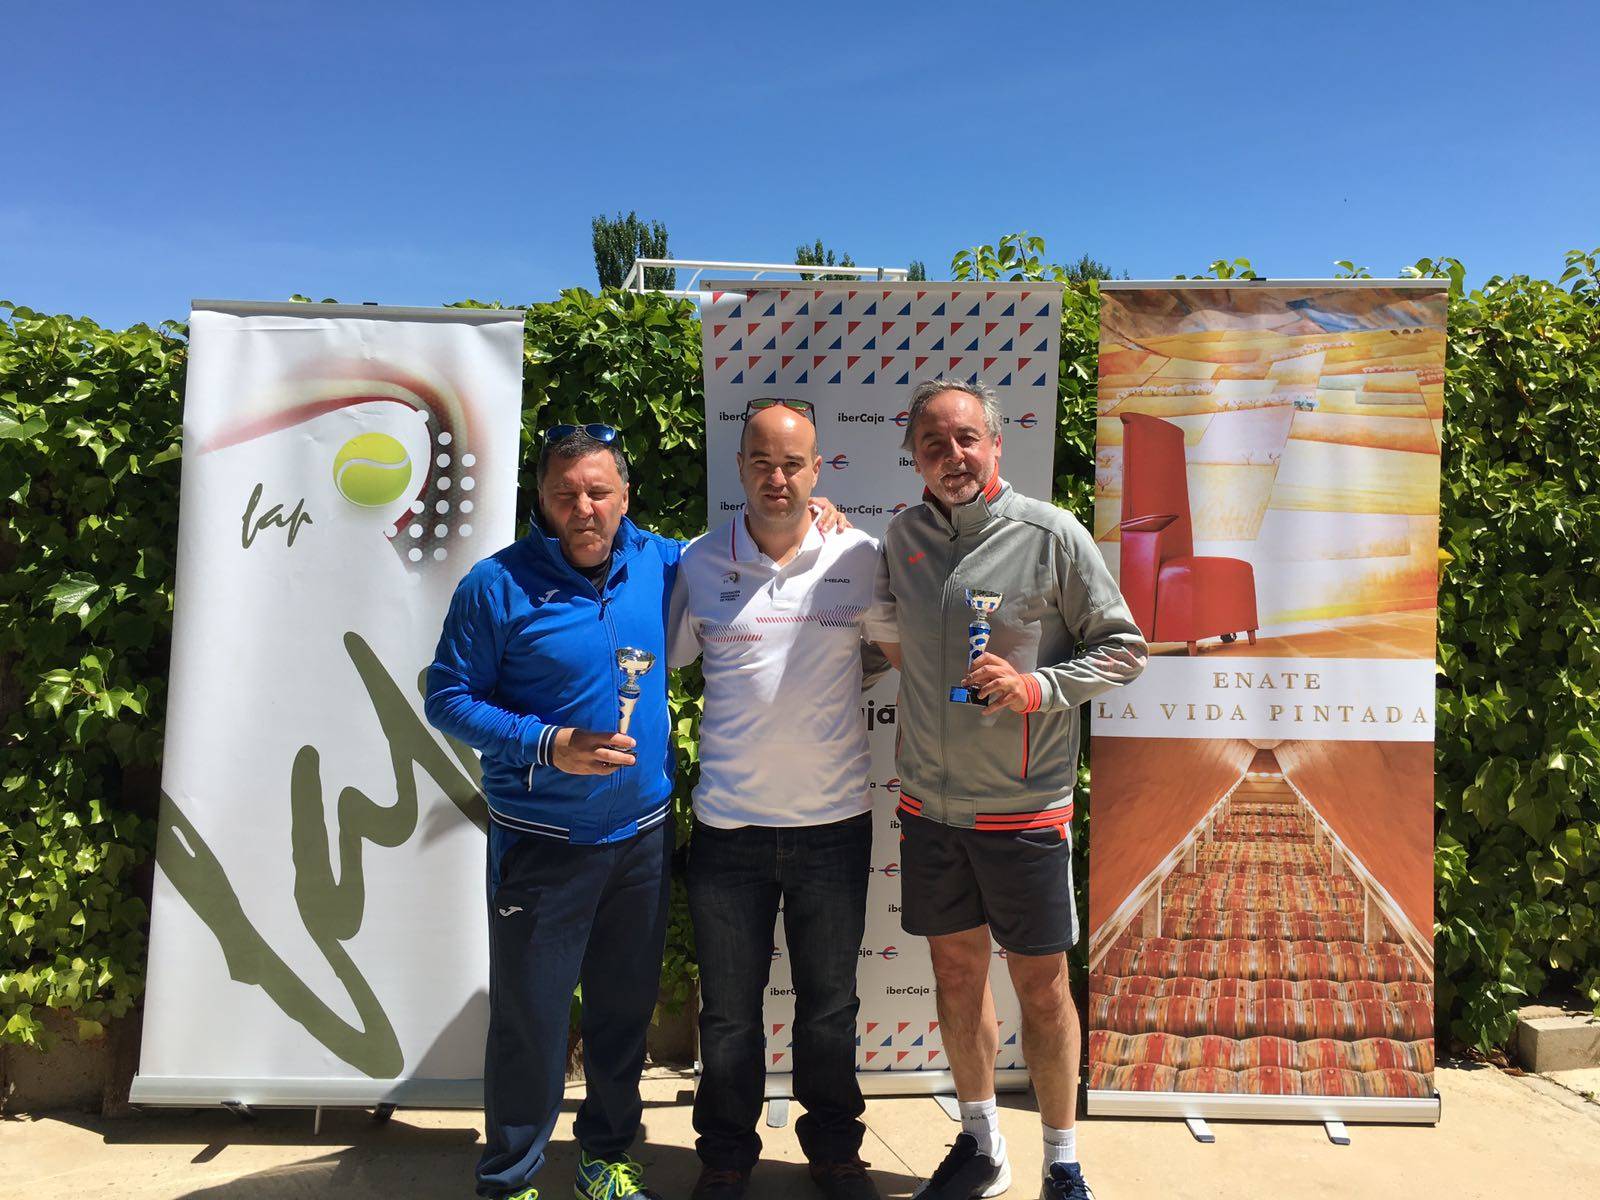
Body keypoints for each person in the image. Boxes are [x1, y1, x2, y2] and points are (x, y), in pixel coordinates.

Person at [426, 424, 850, 1200]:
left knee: (623, 1017)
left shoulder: (661, 561)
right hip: (544, 842)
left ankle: (605, 1159)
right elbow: (447, 698)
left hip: (641, 840)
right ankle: (510, 1179)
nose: (583, 508)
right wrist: (548, 743)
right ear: (541, 499)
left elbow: (751, 544)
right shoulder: (496, 585)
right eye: (565, 494)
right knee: (531, 1022)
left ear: (625, 496)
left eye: (598, 491)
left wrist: (813, 517)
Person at [862, 380, 1147, 1200]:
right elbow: (881, 639)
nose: (951, 455)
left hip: (1024, 810)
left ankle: (1062, 1160)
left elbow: (1124, 649)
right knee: (956, 977)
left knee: (1042, 991)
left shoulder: (1051, 534)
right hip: (930, 808)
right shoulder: (903, 537)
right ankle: (983, 1145)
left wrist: (1037, 687)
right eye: (933, 444)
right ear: (914, 459)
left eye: (965, 439)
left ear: (995, 444)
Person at [668, 398, 890, 1200]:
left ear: (817, 469)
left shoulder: (859, 555)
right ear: (739, 468)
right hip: (729, 829)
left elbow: (897, 649)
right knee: (728, 1014)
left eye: (793, 463)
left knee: (830, 1008)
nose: (777, 478)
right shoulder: (698, 562)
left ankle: (834, 1151)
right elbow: (658, 659)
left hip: (834, 825)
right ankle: (726, 1156)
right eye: (761, 461)